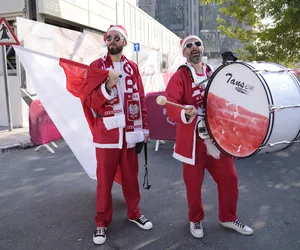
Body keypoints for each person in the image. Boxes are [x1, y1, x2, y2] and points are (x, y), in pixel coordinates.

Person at [165, 35, 253, 238]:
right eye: (188, 46)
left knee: (230, 179)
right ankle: (195, 220)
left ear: (202, 48)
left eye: (197, 44)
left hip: (216, 139)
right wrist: (185, 112)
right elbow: (170, 104)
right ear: (184, 52)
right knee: (194, 185)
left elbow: (227, 98)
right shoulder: (180, 76)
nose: (193, 47)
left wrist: (233, 70)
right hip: (193, 141)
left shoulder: (214, 72)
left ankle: (228, 217)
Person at [83, 25, 153, 245]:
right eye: (109, 38)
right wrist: (108, 85)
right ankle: (101, 223)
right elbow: (91, 101)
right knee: (104, 182)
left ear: (124, 42)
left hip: (130, 134)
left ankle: (134, 213)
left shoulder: (132, 68)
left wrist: (144, 129)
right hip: (107, 134)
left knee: (131, 179)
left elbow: (141, 98)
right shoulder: (96, 67)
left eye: (117, 38)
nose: (112, 41)